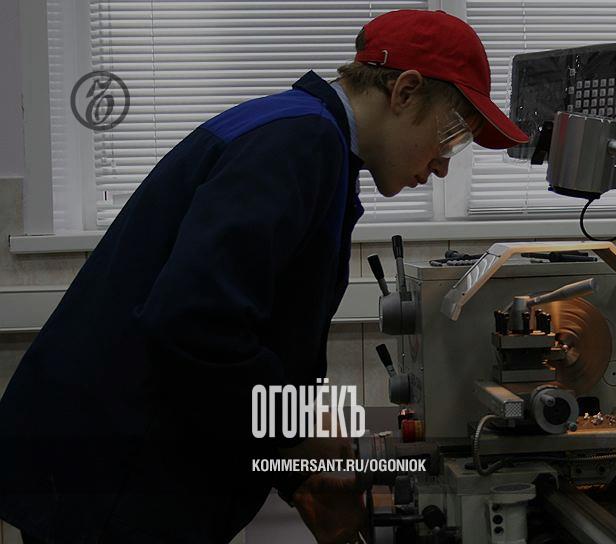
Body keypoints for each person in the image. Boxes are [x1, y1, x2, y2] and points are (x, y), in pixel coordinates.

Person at [0, 9, 527, 544]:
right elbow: (195, 322)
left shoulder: (300, 133)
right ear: (405, 92)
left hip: (114, 464)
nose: (443, 165)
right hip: (112, 476)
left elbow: (253, 327)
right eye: (452, 135)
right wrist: (296, 431)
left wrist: (300, 473)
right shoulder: (299, 142)